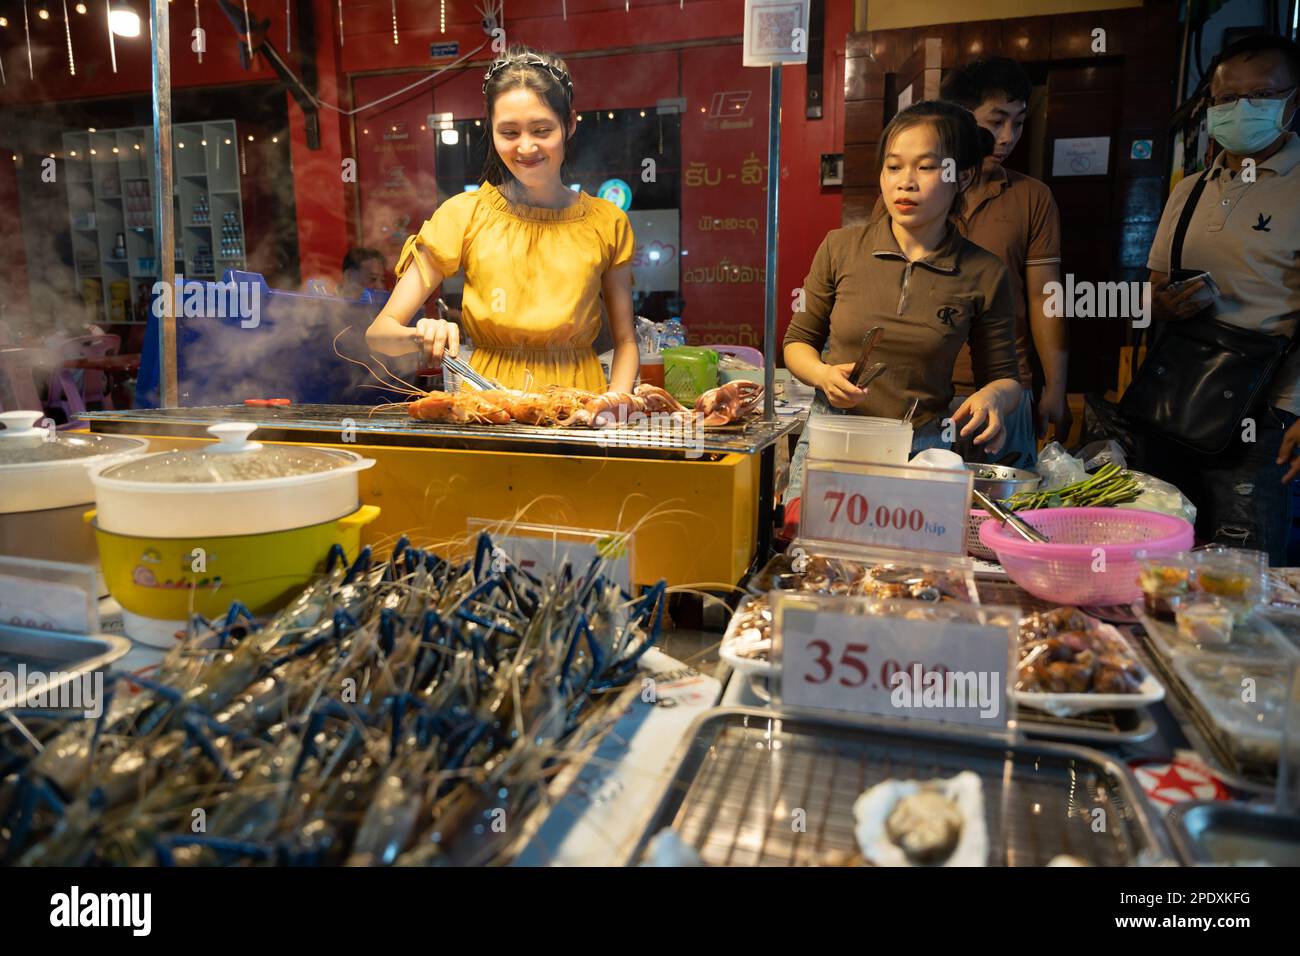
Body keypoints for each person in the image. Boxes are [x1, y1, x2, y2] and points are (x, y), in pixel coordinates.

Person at [783, 101, 1023, 505]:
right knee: (811, 560)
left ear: (961, 176)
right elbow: (796, 343)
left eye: (926, 167)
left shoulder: (984, 272)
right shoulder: (839, 249)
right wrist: (823, 376)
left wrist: (994, 396)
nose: (905, 182)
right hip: (832, 442)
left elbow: (1005, 378)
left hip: (920, 451)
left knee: (904, 566)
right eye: (893, 167)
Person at [365, 46, 638, 392]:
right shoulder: (464, 214)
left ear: (569, 124)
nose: (525, 148)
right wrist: (419, 335)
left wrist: (615, 404)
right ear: (491, 129)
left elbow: (626, 341)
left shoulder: (607, 222)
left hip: (580, 405)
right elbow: (379, 334)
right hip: (490, 406)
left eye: (542, 130)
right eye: (509, 133)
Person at [1144, 33, 1300, 564]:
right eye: (1227, 100)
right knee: (1160, 554)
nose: (1242, 110)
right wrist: (1163, 304)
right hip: (1178, 401)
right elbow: (1154, 291)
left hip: (1268, 413)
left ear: (1293, 101)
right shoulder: (1187, 191)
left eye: (1262, 96)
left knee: (1244, 571)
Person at [940, 57, 1069, 467]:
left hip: (1005, 388)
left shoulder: (1033, 197)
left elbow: (1045, 298)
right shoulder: (917, 188)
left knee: (1002, 515)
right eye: (996, 121)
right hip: (926, 390)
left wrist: (1055, 386)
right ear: (959, 119)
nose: (1008, 136)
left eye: (1018, 122)